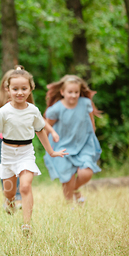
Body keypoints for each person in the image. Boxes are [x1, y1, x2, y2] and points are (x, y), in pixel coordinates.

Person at [0, 65, 68, 236]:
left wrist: (51, 152)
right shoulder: (3, 111)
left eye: (24, 89)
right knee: (9, 192)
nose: (19, 92)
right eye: (15, 89)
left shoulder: (33, 111)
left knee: (26, 186)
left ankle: (26, 225)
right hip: (7, 154)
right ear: (8, 89)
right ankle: (10, 202)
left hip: (26, 153)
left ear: (30, 89)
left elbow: (41, 131)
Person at [43, 75, 102, 203]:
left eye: (76, 92)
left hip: (83, 144)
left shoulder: (85, 104)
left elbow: (91, 122)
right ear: (62, 92)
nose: (74, 95)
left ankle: (73, 189)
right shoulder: (56, 109)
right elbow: (47, 128)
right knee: (67, 177)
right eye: (70, 92)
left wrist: (92, 133)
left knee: (86, 173)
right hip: (63, 146)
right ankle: (69, 204)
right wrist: (47, 145)